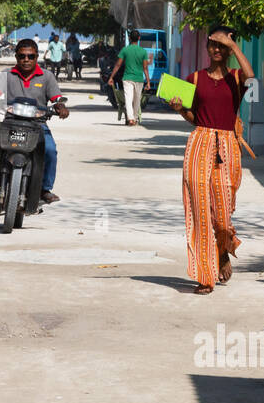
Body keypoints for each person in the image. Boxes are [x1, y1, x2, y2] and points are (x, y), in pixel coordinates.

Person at [168, 25, 256, 294]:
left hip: (228, 146)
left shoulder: (237, 77)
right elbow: (194, 117)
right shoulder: (194, 78)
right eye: (212, 45)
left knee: (223, 213)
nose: (216, 49)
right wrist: (182, 109)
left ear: (230, 49)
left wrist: (233, 44)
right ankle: (205, 275)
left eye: (222, 46)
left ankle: (222, 251)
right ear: (206, 48)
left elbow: (252, 77)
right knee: (199, 209)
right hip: (199, 143)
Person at [0, 39, 69, 205]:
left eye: (30, 56)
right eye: (22, 56)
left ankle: (44, 189)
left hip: (38, 125)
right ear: (16, 57)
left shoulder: (47, 77)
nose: (26, 60)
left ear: (36, 57)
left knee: (49, 150)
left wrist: (61, 107)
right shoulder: (6, 75)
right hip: (11, 123)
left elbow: (57, 99)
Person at [106, 29, 150, 126]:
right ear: (139, 38)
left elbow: (117, 65)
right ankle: (134, 118)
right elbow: (145, 68)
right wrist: (148, 82)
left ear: (129, 38)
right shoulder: (143, 51)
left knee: (128, 99)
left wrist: (111, 77)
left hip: (127, 78)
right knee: (137, 99)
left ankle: (130, 119)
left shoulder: (125, 50)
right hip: (139, 79)